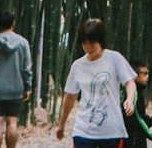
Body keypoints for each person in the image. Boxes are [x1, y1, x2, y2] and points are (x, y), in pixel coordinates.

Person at [55, 18, 137, 148]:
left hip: (111, 128)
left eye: (92, 43)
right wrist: (62, 125)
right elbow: (70, 96)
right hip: (83, 128)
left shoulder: (114, 59)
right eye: (84, 43)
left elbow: (130, 82)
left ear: (101, 41)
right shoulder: (77, 66)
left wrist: (129, 99)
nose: (88, 47)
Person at [0, 10, 34, 148]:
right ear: (13, 23)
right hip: (15, 87)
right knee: (12, 121)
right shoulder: (23, 43)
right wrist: (28, 86)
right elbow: (27, 68)